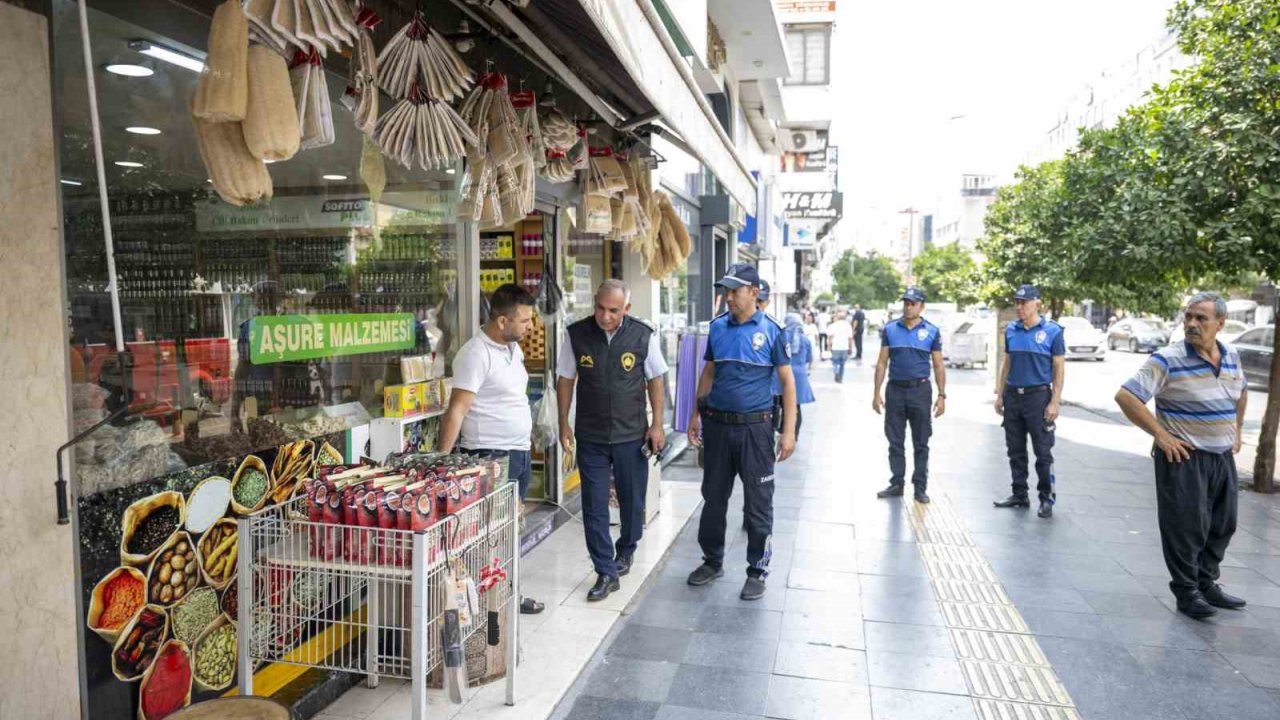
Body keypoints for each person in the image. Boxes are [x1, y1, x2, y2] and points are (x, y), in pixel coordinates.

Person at [1114, 292, 1248, 619]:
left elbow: (1241, 392)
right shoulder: (1167, 358)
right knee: (1186, 527)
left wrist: (1237, 431)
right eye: (1188, 316)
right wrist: (1161, 435)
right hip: (1183, 457)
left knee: (1223, 524)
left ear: (1220, 323)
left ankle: (1207, 583)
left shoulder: (1230, 355)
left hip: (1221, 458)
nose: (1191, 323)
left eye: (1201, 318)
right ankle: (1187, 591)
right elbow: (1126, 396)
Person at [686, 263, 797, 601]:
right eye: (726, 290)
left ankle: (757, 570)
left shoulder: (773, 330)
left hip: (756, 429)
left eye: (735, 291)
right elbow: (708, 373)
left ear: (754, 292)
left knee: (758, 503)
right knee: (714, 498)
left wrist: (788, 431)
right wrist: (695, 414)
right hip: (718, 427)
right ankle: (712, 560)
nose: (728, 297)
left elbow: (788, 382)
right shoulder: (717, 328)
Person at [556, 280, 668, 602]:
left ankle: (627, 548)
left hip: (631, 435)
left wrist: (657, 425)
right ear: (595, 303)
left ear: (626, 309)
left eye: (613, 311)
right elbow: (565, 379)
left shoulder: (642, 335)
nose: (605, 316)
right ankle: (605, 570)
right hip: (590, 435)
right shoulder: (576, 334)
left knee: (632, 503)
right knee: (594, 506)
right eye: (600, 308)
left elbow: (655, 379)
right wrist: (563, 423)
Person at [438, 284, 544, 615]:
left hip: (518, 453)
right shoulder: (475, 354)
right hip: (491, 457)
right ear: (501, 321)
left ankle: (506, 594)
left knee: (510, 527)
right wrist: (441, 462)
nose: (530, 327)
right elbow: (457, 409)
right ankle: (483, 603)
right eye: (524, 321)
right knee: (488, 533)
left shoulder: (514, 349)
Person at [993, 285, 1065, 519]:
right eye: (1017, 302)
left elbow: (1059, 368)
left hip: (1038, 397)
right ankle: (1019, 494)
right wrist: (1000, 393)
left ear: (1037, 304)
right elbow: (1008, 363)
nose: (1019, 306)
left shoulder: (1053, 332)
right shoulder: (1012, 330)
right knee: (1015, 449)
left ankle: (1046, 498)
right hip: (1014, 396)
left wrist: (1055, 401)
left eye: (1024, 302)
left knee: (1042, 452)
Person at [872, 287, 946, 503]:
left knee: (921, 441)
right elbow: (882, 363)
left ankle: (920, 487)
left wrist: (942, 396)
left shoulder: (932, 331)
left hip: (920, 391)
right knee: (895, 440)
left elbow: (939, 365)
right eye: (906, 303)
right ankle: (897, 482)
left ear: (921, 306)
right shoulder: (890, 329)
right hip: (895, 390)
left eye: (913, 303)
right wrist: (876, 393)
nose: (908, 307)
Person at [775, 312, 815, 439]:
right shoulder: (805, 339)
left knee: (781, 403)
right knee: (796, 405)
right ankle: (794, 433)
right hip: (799, 376)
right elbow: (809, 359)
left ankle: (781, 429)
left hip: (782, 375)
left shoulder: (780, 337)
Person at [828, 310, 854, 382]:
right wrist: (850, 348)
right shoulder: (848, 325)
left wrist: (829, 347)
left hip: (835, 347)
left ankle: (836, 372)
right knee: (842, 364)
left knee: (835, 362)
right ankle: (840, 377)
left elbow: (830, 337)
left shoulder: (833, 325)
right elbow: (850, 338)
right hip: (844, 347)